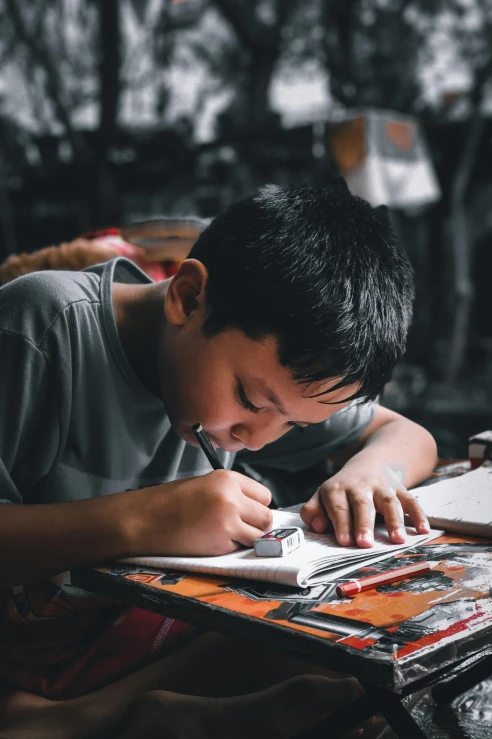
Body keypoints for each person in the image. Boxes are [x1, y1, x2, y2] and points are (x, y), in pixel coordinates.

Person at [0, 184, 437, 739]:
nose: (255, 441)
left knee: (349, 658)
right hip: (23, 650)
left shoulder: (263, 369)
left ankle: (91, 718)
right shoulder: (41, 325)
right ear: (186, 296)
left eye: (293, 425)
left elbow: (407, 435)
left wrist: (368, 473)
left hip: (119, 644)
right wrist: (144, 520)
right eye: (251, 402)